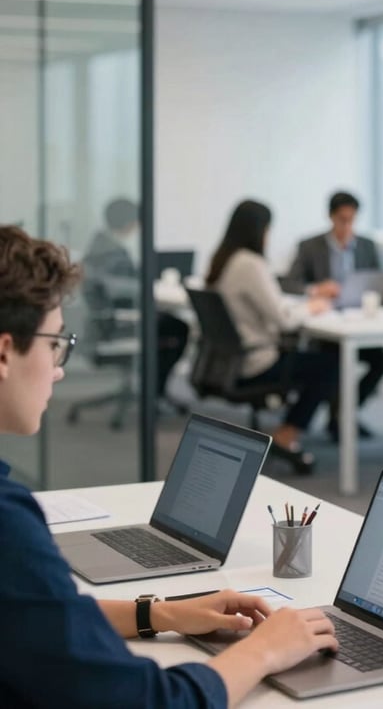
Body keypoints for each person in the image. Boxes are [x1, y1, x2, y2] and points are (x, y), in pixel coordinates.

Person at [0, 224, 337, 708]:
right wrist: (265, 651)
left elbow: (39, 618)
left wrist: (160, 614)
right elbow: (150, 701)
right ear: (6, 352)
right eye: (55, 343)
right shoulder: (8, 525)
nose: (59, 367)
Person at [206, 201, 338, 471]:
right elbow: (283, 320)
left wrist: (295, 306)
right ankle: (287, 434)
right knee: (330, 364)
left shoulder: (225, 259)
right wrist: (311, 307)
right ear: (259, 230)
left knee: (318, 360)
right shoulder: (251, 264)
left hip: (232, 361)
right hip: (258, 361)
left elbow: (270, 307)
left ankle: (294, 427)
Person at [287, 191, 383, 437]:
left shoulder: (366, 246)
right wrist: (316, 289)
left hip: (358, 321)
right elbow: (288, 283)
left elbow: (380, 282)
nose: (347, 226)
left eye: (352, 220)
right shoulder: (310, 246)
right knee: (333, 360)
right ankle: (337, 416)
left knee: (382, 360)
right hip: (325, 327)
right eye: (342, 219)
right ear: (331, 217)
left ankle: (345, 411)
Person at [83, 198, 189, 401]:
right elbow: (116, 287)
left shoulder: (101, 243)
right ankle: (156, 394)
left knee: (167, 323)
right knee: (177, 327)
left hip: (106, 322)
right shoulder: (111, 251)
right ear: (130, 223)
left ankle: (154, 391)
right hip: (115, 325)